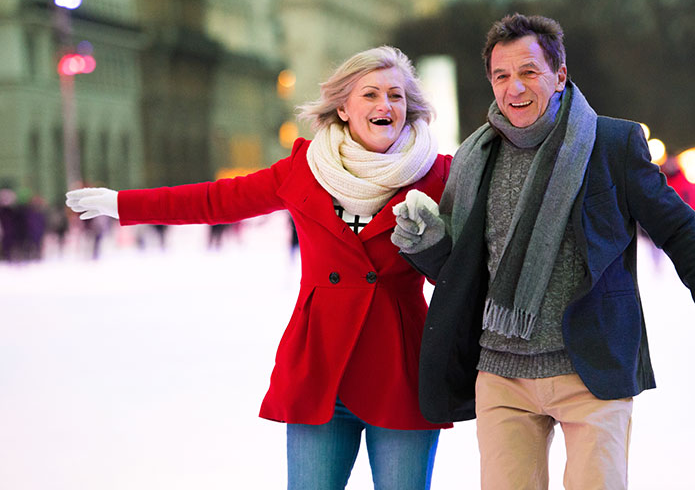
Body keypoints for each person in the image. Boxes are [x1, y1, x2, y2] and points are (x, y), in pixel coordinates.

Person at [391, 14, 695, 490]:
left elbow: (679, 230)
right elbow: (463, 273)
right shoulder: (474, 158)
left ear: (560, 75)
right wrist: (428, 244)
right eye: (501, 76)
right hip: (501, 375)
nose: (514, 88)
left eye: (528, 72)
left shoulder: (611, 144)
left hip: (591, 368)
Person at [66, 46, 453, 490]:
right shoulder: (304, 169)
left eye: (396, 95)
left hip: (400, 373)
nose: (386, 105)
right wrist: (122, 204)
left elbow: (466, 263)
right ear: (344, 108)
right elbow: (216, 200)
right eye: (371, 94)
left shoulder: (438, 175)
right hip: (321, 371)